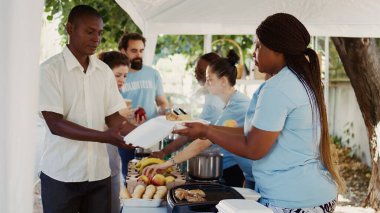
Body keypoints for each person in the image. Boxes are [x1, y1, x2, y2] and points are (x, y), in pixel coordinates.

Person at [173, 13, 344, 212]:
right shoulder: (298, 80)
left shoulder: (277, 88)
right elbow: (256, 133)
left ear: (278, 49)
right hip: (311, 194)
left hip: (294, 199)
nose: (254, 53)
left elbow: (254, 148)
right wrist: (206, 129)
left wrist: (208, 132)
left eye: (258, 46)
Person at [38, 5, 136, 213]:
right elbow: (56, 124)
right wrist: (106, 137)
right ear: (70, 29)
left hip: (99, 174)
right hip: (62, 175)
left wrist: (142, 134)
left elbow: (113, 117)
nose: (96, 39)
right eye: (90, 32)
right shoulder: (49, 70)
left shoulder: (103, 72)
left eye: (99, 33)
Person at [144, 50, 255, 189]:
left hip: (255, 175)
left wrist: (167, 163)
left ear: (223, 81)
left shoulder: (236, 107)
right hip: (249, 174)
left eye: (209, 80)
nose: (206, 84)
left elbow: (203, 142)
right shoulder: (230, 103)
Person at [150, 52, 224, 160]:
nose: (196, 74)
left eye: (201, 71)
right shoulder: (207, 94)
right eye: (196, 70)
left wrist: (164, 152)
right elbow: (191, 115)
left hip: (215, 162)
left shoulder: (214, 103)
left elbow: (190, 133)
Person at [117, 32, 169, 181]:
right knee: (130, 176)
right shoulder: (119, 76)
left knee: (153, 175)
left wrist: (167, 112)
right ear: (123, 51)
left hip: (152, 134)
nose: (138, 55)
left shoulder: (153, 74)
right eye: (133, 51)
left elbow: (162, 102)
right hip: (128, 135)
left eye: (141, 50)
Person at [98, 51, 131, 213]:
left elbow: (121, 126)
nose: (122, 80)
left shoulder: (116, 95)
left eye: (125, 76)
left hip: (112, 163)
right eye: (118, 75)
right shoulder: (97, 94)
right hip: (98, 165)